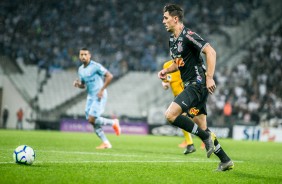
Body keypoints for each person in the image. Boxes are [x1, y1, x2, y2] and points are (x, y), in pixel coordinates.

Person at [158, 4, 234, 171]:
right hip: (191, 84)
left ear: (175, 19)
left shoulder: (188, 35)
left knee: (170, 115)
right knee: (202, 126)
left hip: (197, 84)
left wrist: (209, 78)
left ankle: (204, 137)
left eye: (166, 18)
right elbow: (179, 63)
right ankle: (225, 160)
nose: (163, 21)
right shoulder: (172, 39)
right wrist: (165, 70)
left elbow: (211, 52)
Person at [73, 48, 121, 149]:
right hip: (90, 96)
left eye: (85, 54)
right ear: (79, 56)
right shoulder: (80, 70)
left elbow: (109, 76)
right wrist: (78, 84)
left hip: (99, 95)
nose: (83, 57)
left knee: (92, 118)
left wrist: (102, 90)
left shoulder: (95, 66)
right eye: (81, 55)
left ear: (89, 56)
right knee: (91, 120)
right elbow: (83, 85)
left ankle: (114, 123)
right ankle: (106, 143)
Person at [161, 60, 196, 155]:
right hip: (177, 98)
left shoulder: (183, 62)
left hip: (186, 96)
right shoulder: (167, 65)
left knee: (188, 119)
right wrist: (164, 84)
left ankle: (194, 142)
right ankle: (191, 143)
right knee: (183, 119)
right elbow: (166, 84)